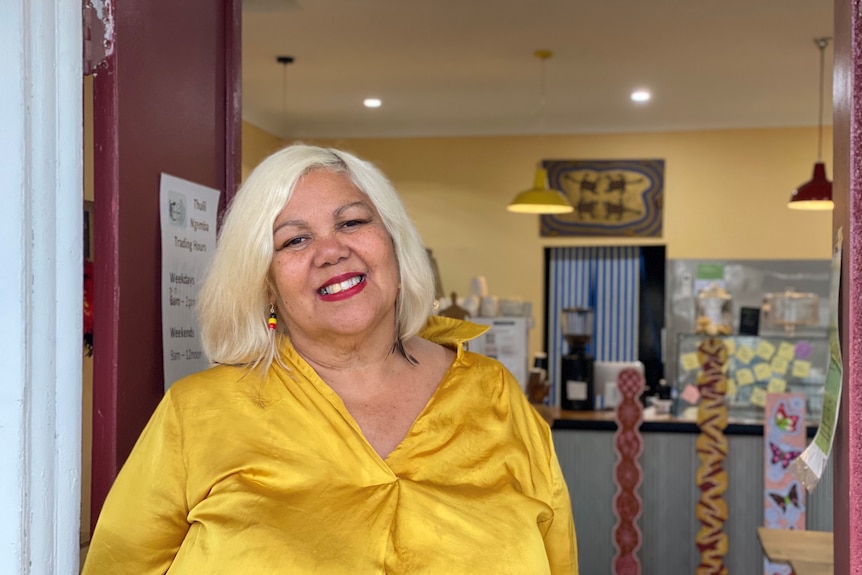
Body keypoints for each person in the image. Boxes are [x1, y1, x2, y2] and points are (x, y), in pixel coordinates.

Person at [82, 144, 579, 574]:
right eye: (294, 240)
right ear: (266, 287)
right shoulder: (195, 415)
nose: (332, 251)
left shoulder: (495, 394)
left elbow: (558, 557)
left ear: (395, 248)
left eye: (352, 222)